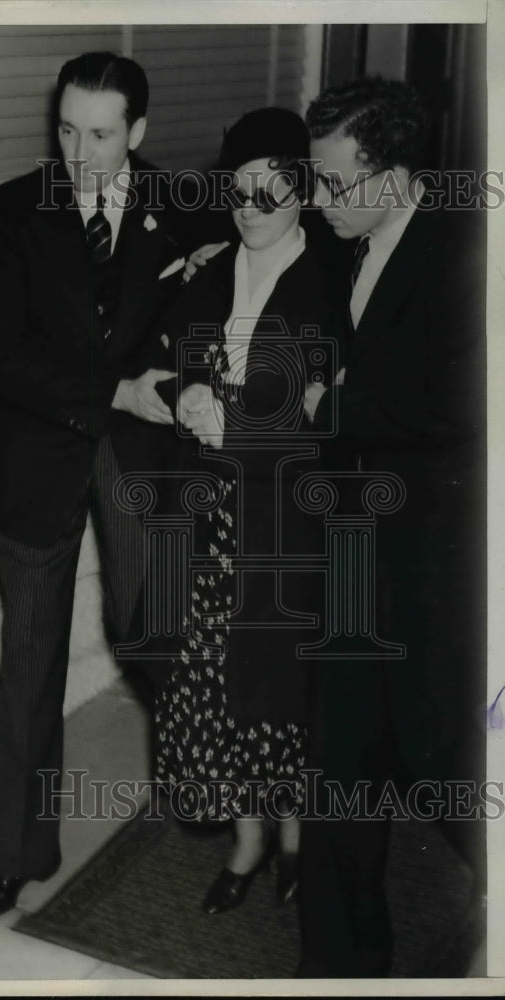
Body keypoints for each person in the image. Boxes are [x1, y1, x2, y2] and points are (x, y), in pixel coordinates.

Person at [0, 51, 202, 921]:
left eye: (100, 135)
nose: (79, 153)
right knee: (28, 662)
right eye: (66, 130)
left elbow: (211, 304)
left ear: (136, 133)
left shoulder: (180, 207)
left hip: (141, 456)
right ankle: (16, 858)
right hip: (45, 456)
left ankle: (201, 789)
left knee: (155, 632)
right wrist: (110, 388)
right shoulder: (14, 212)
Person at [298, 77, 486, 977]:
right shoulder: (341, 242)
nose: (320, 202)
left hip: (430, 570)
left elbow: (461, 403)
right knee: (338, 773)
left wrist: (329, 405)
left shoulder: (468, 253)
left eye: (335, 184)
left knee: (440, 770)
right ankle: (340, 968)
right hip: (348, 559)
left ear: (397, 174)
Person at [141, 108, 331, 915]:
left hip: (283, 523)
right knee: (214, 689)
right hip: (211, 517)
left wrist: (239, 417)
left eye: (269, 194)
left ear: (304, 193)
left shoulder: (329, 279)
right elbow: (169, 345)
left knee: (278, 691)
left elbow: (321, 410)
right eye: (240, 194)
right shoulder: (215, 269)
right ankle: (248, 840)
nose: (250, 209)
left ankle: (296, 840)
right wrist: (185, 387)